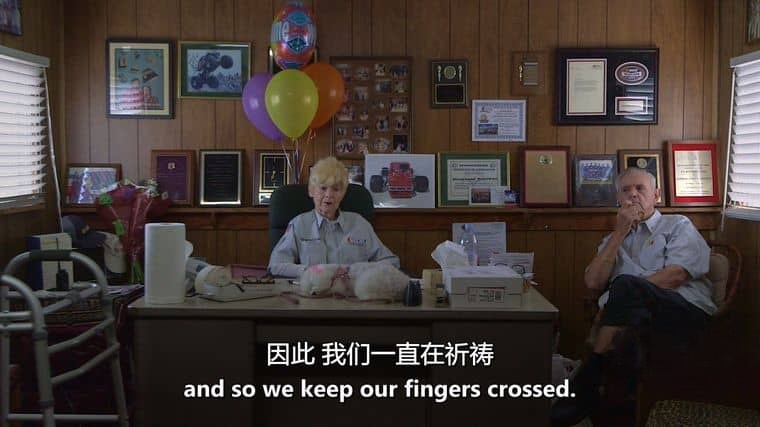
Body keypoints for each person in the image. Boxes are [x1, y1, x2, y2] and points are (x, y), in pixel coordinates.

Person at [551, 167, 716, 426]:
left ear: (656, 195)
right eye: (626, 190)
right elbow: (593, 281)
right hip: (633, 319)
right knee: (626, 334)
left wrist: (622, 292)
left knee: (625, 286)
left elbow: (676, 275)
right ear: (618, 199)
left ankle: (588, 379)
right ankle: (606, 402)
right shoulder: (613, 239)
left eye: (640, 189)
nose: (633, 195)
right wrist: (619, 233)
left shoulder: (677, 225)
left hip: (684, 309)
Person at [268, 156, 400, 278]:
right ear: (311, 191)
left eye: (336, 189)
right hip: (314, 291)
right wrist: (310, 272)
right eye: (323, 188)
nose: (329, 195)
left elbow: (391, 262)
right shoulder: (299, 224)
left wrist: (363, 271)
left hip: (353, 292)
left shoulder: (360, 224)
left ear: (343, 193)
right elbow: (276, 265)